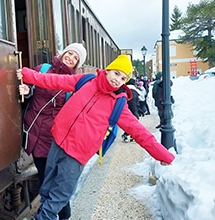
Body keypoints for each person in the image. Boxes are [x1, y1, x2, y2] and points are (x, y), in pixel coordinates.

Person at [17, 55, 175, 220]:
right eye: (116, 73)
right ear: (107, 70)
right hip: (58, 141)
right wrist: (27, 75)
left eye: (123, 78)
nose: (117, 80)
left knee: (61, 192)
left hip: (77, 153)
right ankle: (45, 212)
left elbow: (140, 132)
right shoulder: (86, 81)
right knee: (47, 186)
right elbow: (54, 81)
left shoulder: (118, 104)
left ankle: (44, 217)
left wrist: (162, 154)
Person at [19, 43, 87, 220]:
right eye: (70, 53)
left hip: (56, 139)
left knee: (58, 184)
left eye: (75, 58)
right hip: (35, 133)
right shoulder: (43, 69)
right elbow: (28, 91)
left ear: (77, 64)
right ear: (64, 52)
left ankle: (63, 216)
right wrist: (26, 91)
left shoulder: (75, 84)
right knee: (45, 180)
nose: (70, 58)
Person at [121, 78, 140, 142]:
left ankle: (129, 135)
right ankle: (130, 135)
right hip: (134, 109)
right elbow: (138, 100)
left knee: (129, 123)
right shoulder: (135, 91)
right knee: (133, 123)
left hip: (126, 109)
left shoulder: (124, 90)